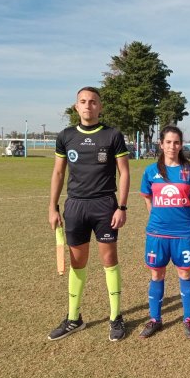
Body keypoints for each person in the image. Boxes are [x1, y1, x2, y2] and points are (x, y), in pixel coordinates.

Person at [47, 86, 130, 342]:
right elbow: (59, 173)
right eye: (83, 101)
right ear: (76, 107)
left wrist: (122, 207)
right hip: (75, 207)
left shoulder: (112, 135)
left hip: (105, 205)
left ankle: (116, 317)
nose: (88, 106)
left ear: (100, 107)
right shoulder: (66, 136)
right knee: (77, 263)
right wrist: (53, 207)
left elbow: (124, 173)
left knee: (109, 261)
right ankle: (74, 318)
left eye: (93, 102)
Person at [138, 125, 190, 339]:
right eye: (168, 142)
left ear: (181, 144)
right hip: (157, 233)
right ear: (161, 144)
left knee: (185, 273)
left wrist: (189, 220)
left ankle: (188, 319)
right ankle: (155, 319)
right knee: (157, 273)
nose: (172, 146)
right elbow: (148, 197)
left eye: (176, 142)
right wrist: (156, 218)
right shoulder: (151, 171)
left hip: (183, 233)